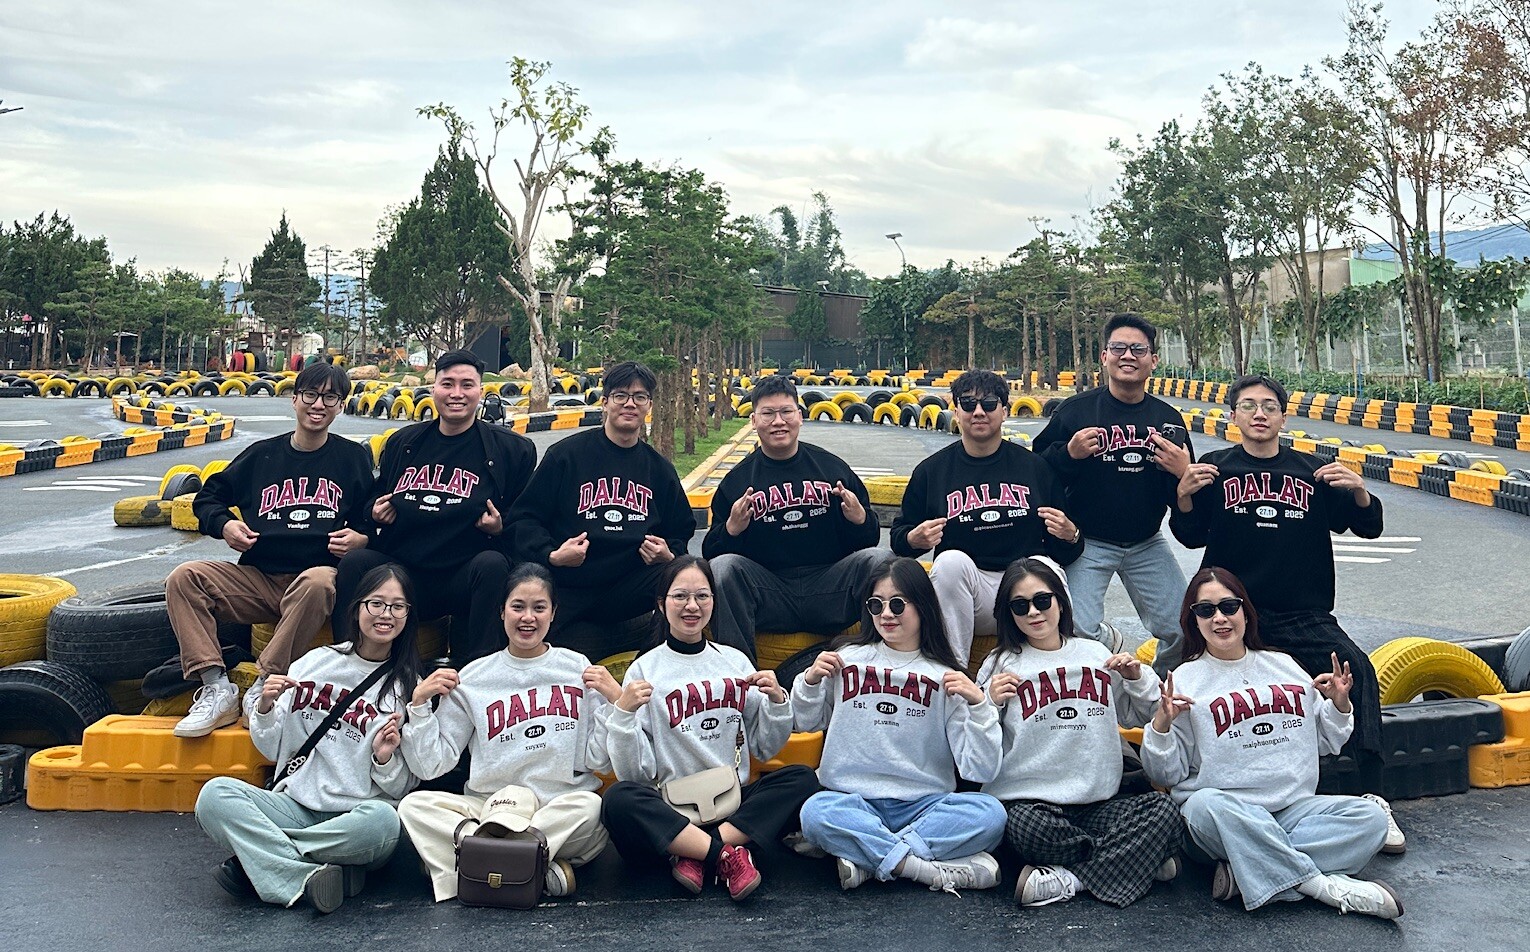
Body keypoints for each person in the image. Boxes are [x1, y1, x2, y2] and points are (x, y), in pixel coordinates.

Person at [1169, 374, 1403, 853]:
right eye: (1249, 405)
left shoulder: (1312, 471)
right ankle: (1207, 794)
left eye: (1269, 406)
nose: (1259, 414)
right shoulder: (1215, 469)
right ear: (1233, 415)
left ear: (1282, 416)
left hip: (1302, 612)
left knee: (1356, 669)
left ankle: (1374, 793)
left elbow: (1369, 527)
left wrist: (1360, 492)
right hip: (1233, 616)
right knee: (1194, 685)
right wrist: (1184, 495)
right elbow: (1189, 536)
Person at [1140, 568, 1403, 919]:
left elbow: (1326, 741)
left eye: (1229, 606)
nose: (1220, 618)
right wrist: (1161, 725)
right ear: (1194, 621)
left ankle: (1248, 870)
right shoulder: (1185, 679)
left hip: (1294, 811)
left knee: (1370, 818)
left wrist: (1339, 706)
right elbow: (1167, 774)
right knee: (1204, 804)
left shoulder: (1284, 665)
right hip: (1226, 816)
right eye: (1206, 610)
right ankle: (1323, 887)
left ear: (1246, 612)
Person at [194, 564, 420, 914]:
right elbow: (272, 748)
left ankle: (263, 858)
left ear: (408, 615)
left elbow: (402, 787)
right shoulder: (314, 662)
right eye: (376, 603)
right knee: (214, 796)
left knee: (383, 822)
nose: (385, 614)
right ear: (356, 608)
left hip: (354, 818)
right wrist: (265, 709)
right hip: (293, 807)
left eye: (397, 606)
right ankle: (309, 874)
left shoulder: (408, 688)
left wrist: (384, 758)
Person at [168, 361, 375, 738]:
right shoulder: (260, 456)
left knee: (318, 582)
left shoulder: (353, 459)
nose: (318, 404)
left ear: (341, 406)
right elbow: (208, 498)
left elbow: (372, 516)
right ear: (294, 399)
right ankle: (216, 687)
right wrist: (225, 525)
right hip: (259, 578)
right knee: (185, 577)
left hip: (316, 580)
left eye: (330, 397)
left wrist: (361, 538)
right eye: (310, 394)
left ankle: (265, 684)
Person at [601, 556, 815, 902]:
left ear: (714, 602)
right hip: (672, 809)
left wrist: (777, 703)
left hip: (731, 802)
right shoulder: (644, 669)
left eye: (702, 596)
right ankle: (725, 855)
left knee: (802, 779)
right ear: (661, 604)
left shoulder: (735, 660)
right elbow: (636, 774)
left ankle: (695, 852)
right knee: (618, 800)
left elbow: (763, 747)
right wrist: (623, 715)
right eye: (680, 596)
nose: (692, 606)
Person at [398, 564, 614, 901]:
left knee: (590, 808)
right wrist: (419, 706)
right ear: (502, 612)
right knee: (414, 806)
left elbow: (597, 759)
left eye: (539, 607)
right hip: (490, 809)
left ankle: (472, 863)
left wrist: (613, 704)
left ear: (553, 613)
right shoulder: (474, 676)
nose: (528, 617)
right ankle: (535, 866)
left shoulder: (577, 668)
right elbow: (431, 766)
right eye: (518, 606)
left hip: (555, 808)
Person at [793, 557, 1006, 895]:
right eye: (876, 605)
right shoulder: (846, 659)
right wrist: (809, 681)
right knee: (815, 813)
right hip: (852, 800)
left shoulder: (945, 676)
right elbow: (805, 721)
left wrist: (979, 706)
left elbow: (979, 769)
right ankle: (923, 870)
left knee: (991, 815)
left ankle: (868, 857)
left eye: (897, 604)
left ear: (922, 605)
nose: (886, 614)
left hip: (925, 806)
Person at [978, 556, 1182, 908]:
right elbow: (977, 745)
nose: (1033, 612)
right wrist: (989, 702)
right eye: (1020, 605)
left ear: (1060, 601)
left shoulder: (1095, 653)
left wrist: (1136, 678)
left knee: (1163, 811)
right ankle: (1135, 859)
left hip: (1098, 803)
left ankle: (1070, 879)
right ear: (1008, 613)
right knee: (1027, 830)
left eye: (1042, 600)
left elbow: (1142, 714)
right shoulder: (1000, 663)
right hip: (1032, 805)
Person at [336, 350, 534, 667]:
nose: (457, 393)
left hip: (463, 575)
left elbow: (526, 517)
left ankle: (483, 671)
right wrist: (374, 511)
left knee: (493, 564)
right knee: (356, 562)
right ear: (434, 389)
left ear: (481, 391)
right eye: (448, 384)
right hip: (403, 574)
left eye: (467, 385)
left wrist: (501, 526)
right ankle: (347, 664)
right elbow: (374, 496)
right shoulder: (404, 443)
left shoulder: (511, 449)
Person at [1033, 314, 1195, 674]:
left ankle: (1155, 688)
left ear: (1153, 360)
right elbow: (1038, 469)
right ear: (1104, 357)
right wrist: (1069, 453)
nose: (1128, 356)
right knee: (1076, 630)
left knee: (1185, 629)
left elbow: (1186, 495)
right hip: (1088, 541)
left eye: (1138, 349)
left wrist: (1183, 471)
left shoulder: (1167, 419)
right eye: (1119, 348)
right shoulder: (1075, 411)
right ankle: (1110, 642)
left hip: (1147, 541)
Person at [891, 369, 1084, 669]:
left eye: (989, 404)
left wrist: (1072, 536)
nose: (978, 412)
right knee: (949, 562)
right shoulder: (932, 471)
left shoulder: (1035, 468)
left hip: (1025, 590)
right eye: (968, 404)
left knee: (1046, 566)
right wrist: (913, 539)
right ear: (956, 411)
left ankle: (1060, 668)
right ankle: (952, 671)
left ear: (1004, 411)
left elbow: (1065, 552)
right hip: (971, 593)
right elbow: (900, 540)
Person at [509, 361, 697, 660]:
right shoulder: (566, 456)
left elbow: (680, 529)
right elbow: (524, 518)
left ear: (649, 405)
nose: (630, 404)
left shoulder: (659, 469)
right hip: (568, 584)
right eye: (621, 395)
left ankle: (658, 667)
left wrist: (668, 553)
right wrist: (552, 554)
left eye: (640, 397)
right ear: (605, 402)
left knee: (686, 576)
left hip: (628, 587)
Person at [703, 374, 892, 657]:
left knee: (881, 561)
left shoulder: (832, 469)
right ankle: (739, 671)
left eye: (786, 412)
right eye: (768, 413)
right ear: (753, 420)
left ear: (800, 417)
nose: (778, 421)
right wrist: (731, 529)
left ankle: (875, 664)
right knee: (723, 567)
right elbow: (711, 553)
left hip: (830, 588)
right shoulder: (737, 481)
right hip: (769, 592)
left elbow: (868, 540)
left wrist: (859, 520)